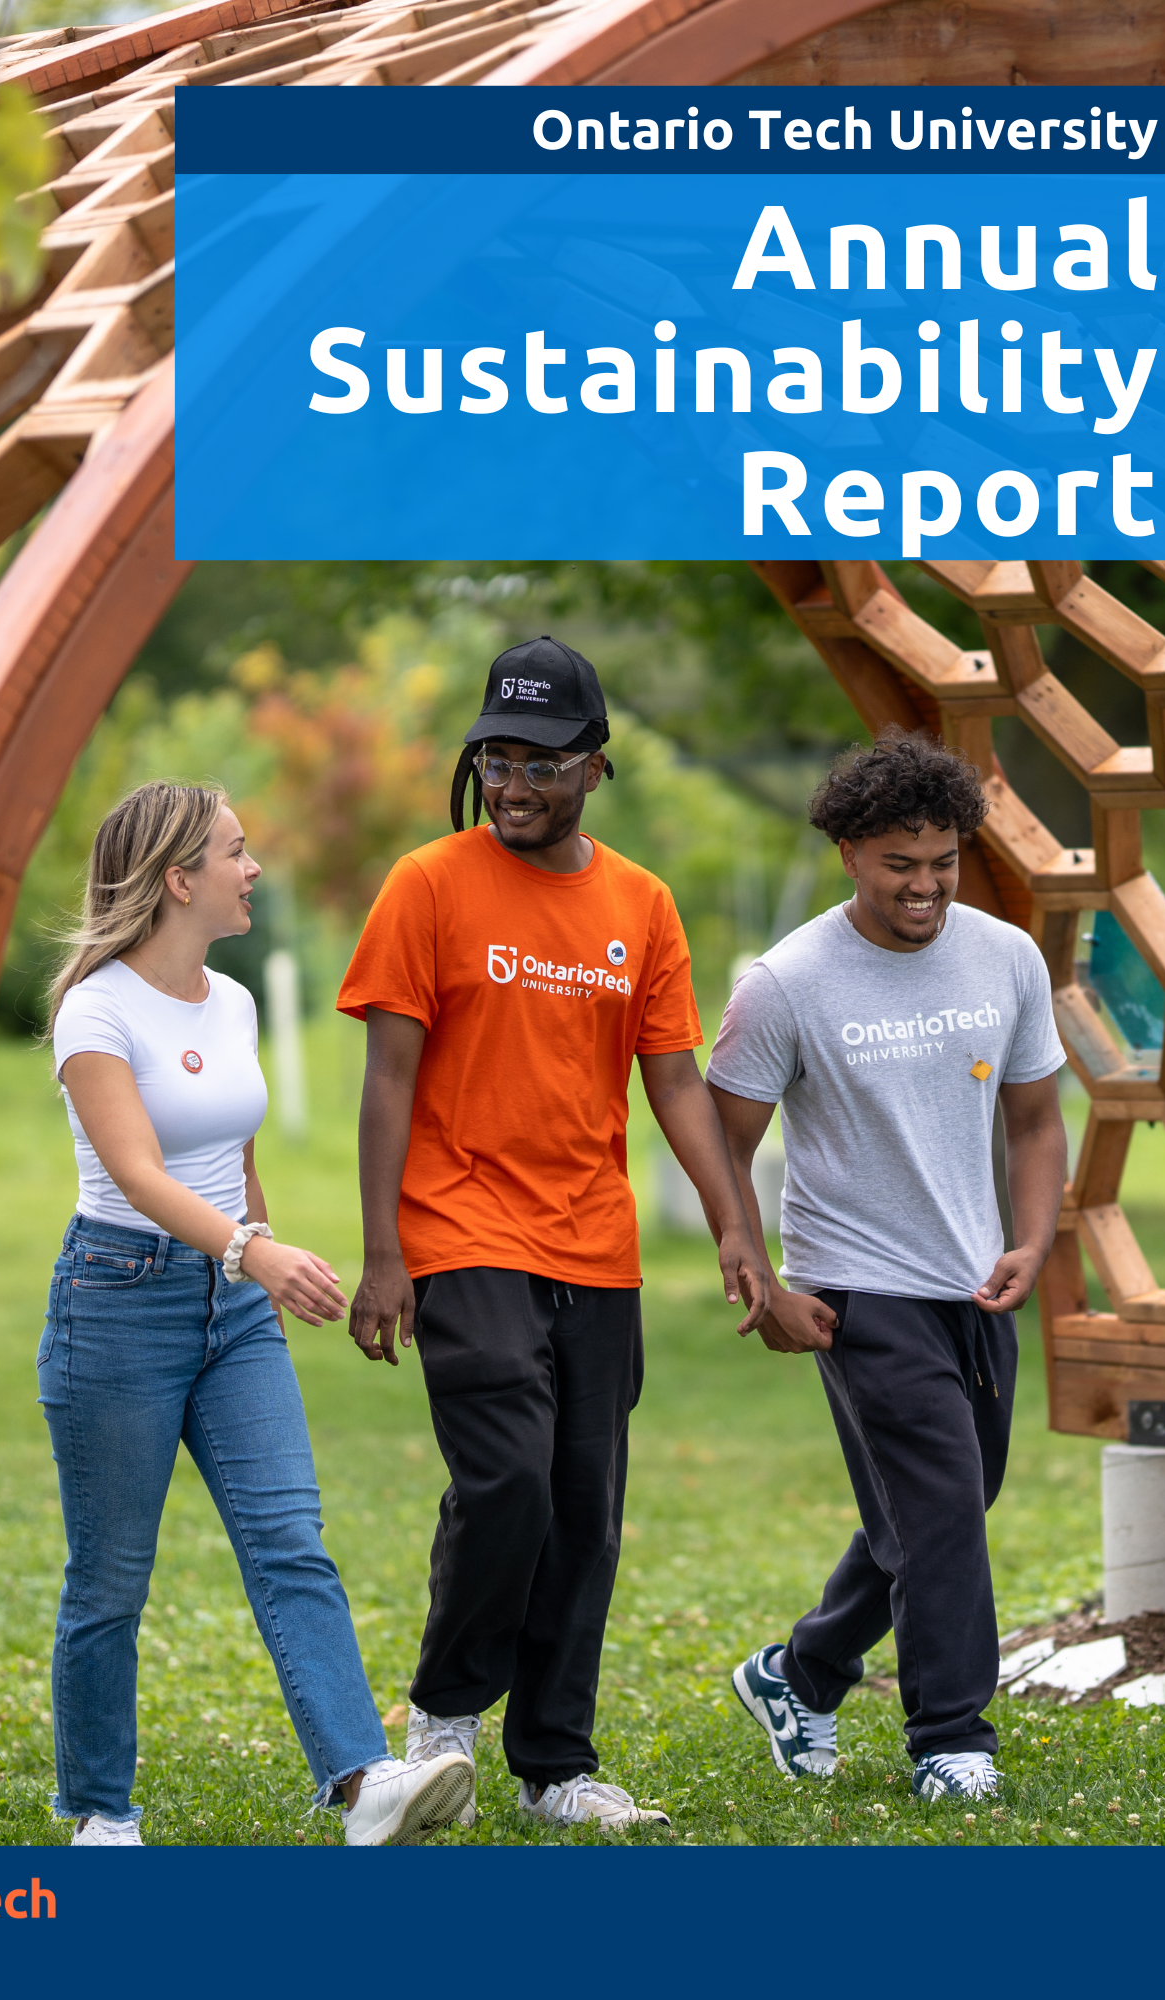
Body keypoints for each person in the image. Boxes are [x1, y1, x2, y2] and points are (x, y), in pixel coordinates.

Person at [337, 637, 769, 1832]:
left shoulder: (642, 903)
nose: (515, 782)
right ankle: (444, 1712)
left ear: (595, 765)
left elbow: (676, 1083)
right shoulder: (427, 882)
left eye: (541, 761)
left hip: (596, 1243)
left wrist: (736, 1224)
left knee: (585, 1502)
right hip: (462, 1225)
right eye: (497, 758)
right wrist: (385, 1253)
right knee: (510, 1480)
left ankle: (554, 1766)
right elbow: (387, 1080)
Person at [39, 781, 473, 1847]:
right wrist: (253, 1251)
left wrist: (255, 1263)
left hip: (231, 1310)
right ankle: (100, 1809)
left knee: (290, 1540)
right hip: (117, 1302)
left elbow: (231, 1153)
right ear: (179, 877)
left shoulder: (227, 1001)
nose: (254, 869)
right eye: (237, 852)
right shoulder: (94, 1006)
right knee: (110, 1576)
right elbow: (137, 1171)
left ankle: (361, 1781)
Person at [706, 730, 1068, 1803]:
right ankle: (951, 1736)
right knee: (944, 1506)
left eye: (944, 862)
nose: (926, 886)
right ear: (850, 852)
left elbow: (1039, 1118)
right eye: (900, 864)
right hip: (858, 1286)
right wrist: (763, 1279)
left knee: (951, 1499)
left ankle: (801, 1670)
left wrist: (1034, 1237)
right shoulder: (790, 981)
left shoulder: (1006, 955)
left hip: (972, 1277)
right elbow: (722, 1138)